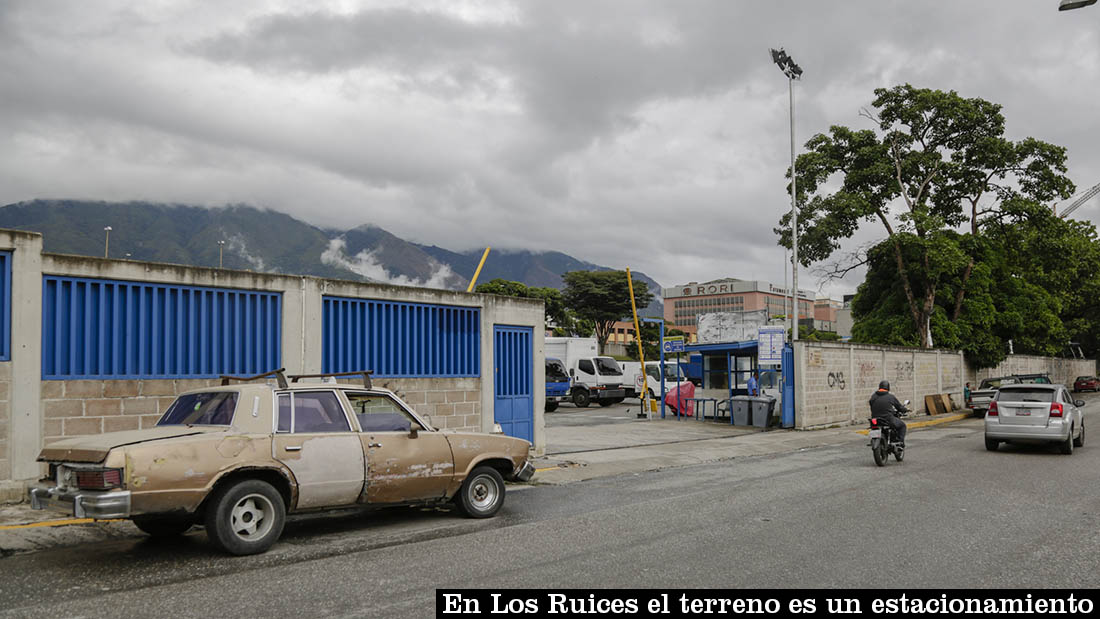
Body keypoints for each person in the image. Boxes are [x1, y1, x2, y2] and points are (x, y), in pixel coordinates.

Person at [869, 380, 907, 446]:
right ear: (888, 388)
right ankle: (900, 443)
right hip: (888, 419)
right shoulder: (890, 397)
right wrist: (904, 410)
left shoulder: (873, 396)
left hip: (875, 419)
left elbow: (871, 405)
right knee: (902, 426)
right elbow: (899, 407)